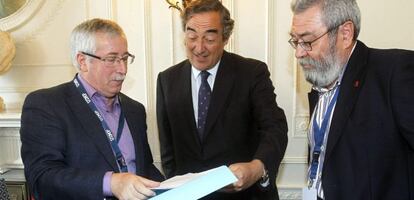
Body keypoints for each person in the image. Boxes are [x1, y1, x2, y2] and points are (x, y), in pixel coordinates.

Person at [156, 0, 288, 199]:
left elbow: (275, 128)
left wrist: (257, 167)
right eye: (192, 36)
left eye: (209, 38)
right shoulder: (167, 80)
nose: (199, 48)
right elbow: (168, 152)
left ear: (225, 38)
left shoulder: (252, 73)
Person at [20, 18, 164, 200]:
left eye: (125, 59)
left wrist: (172, 187)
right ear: (82, 61)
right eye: (111, 59)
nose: (122, 69)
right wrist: (111, 183)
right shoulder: (46, 105)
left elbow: (145, 168)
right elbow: (43, 178)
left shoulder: (135, 110)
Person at [289, 0, 414, 199]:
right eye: (295, 41)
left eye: (307, 41)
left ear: (345, 34)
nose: (298, 53)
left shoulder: (395, 72)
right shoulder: (322, 82)